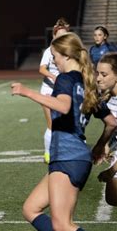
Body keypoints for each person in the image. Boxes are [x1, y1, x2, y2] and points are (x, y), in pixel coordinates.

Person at [11, 32, 117, 231]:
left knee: (62, 224)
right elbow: (111, 122)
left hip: (68, 157)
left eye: (55, 58)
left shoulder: (65, 79)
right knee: (31, 208)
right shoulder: (86, 84)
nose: (54, 63)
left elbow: (62, 106)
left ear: (66, 56)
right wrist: (99, 146)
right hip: (74, 156)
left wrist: (27, 92)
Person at [92, 52, 117, 228]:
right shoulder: (109, 97)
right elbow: (114, 125)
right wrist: (106, 144)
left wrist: (112, 170)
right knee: (113, 198)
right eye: (97, 73)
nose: (98, 78)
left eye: (104, 74)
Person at [38, 18, 70, 163]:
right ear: (54, 36)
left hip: (63, 92)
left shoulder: (69, 52)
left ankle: (65, 149)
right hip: (48, 91)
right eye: (59, 35)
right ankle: (48, 153)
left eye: (64, 35)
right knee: (51, 124)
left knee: (66, 122)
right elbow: (41, 69)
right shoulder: (48, 52)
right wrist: (53, 77)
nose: (62, 37)